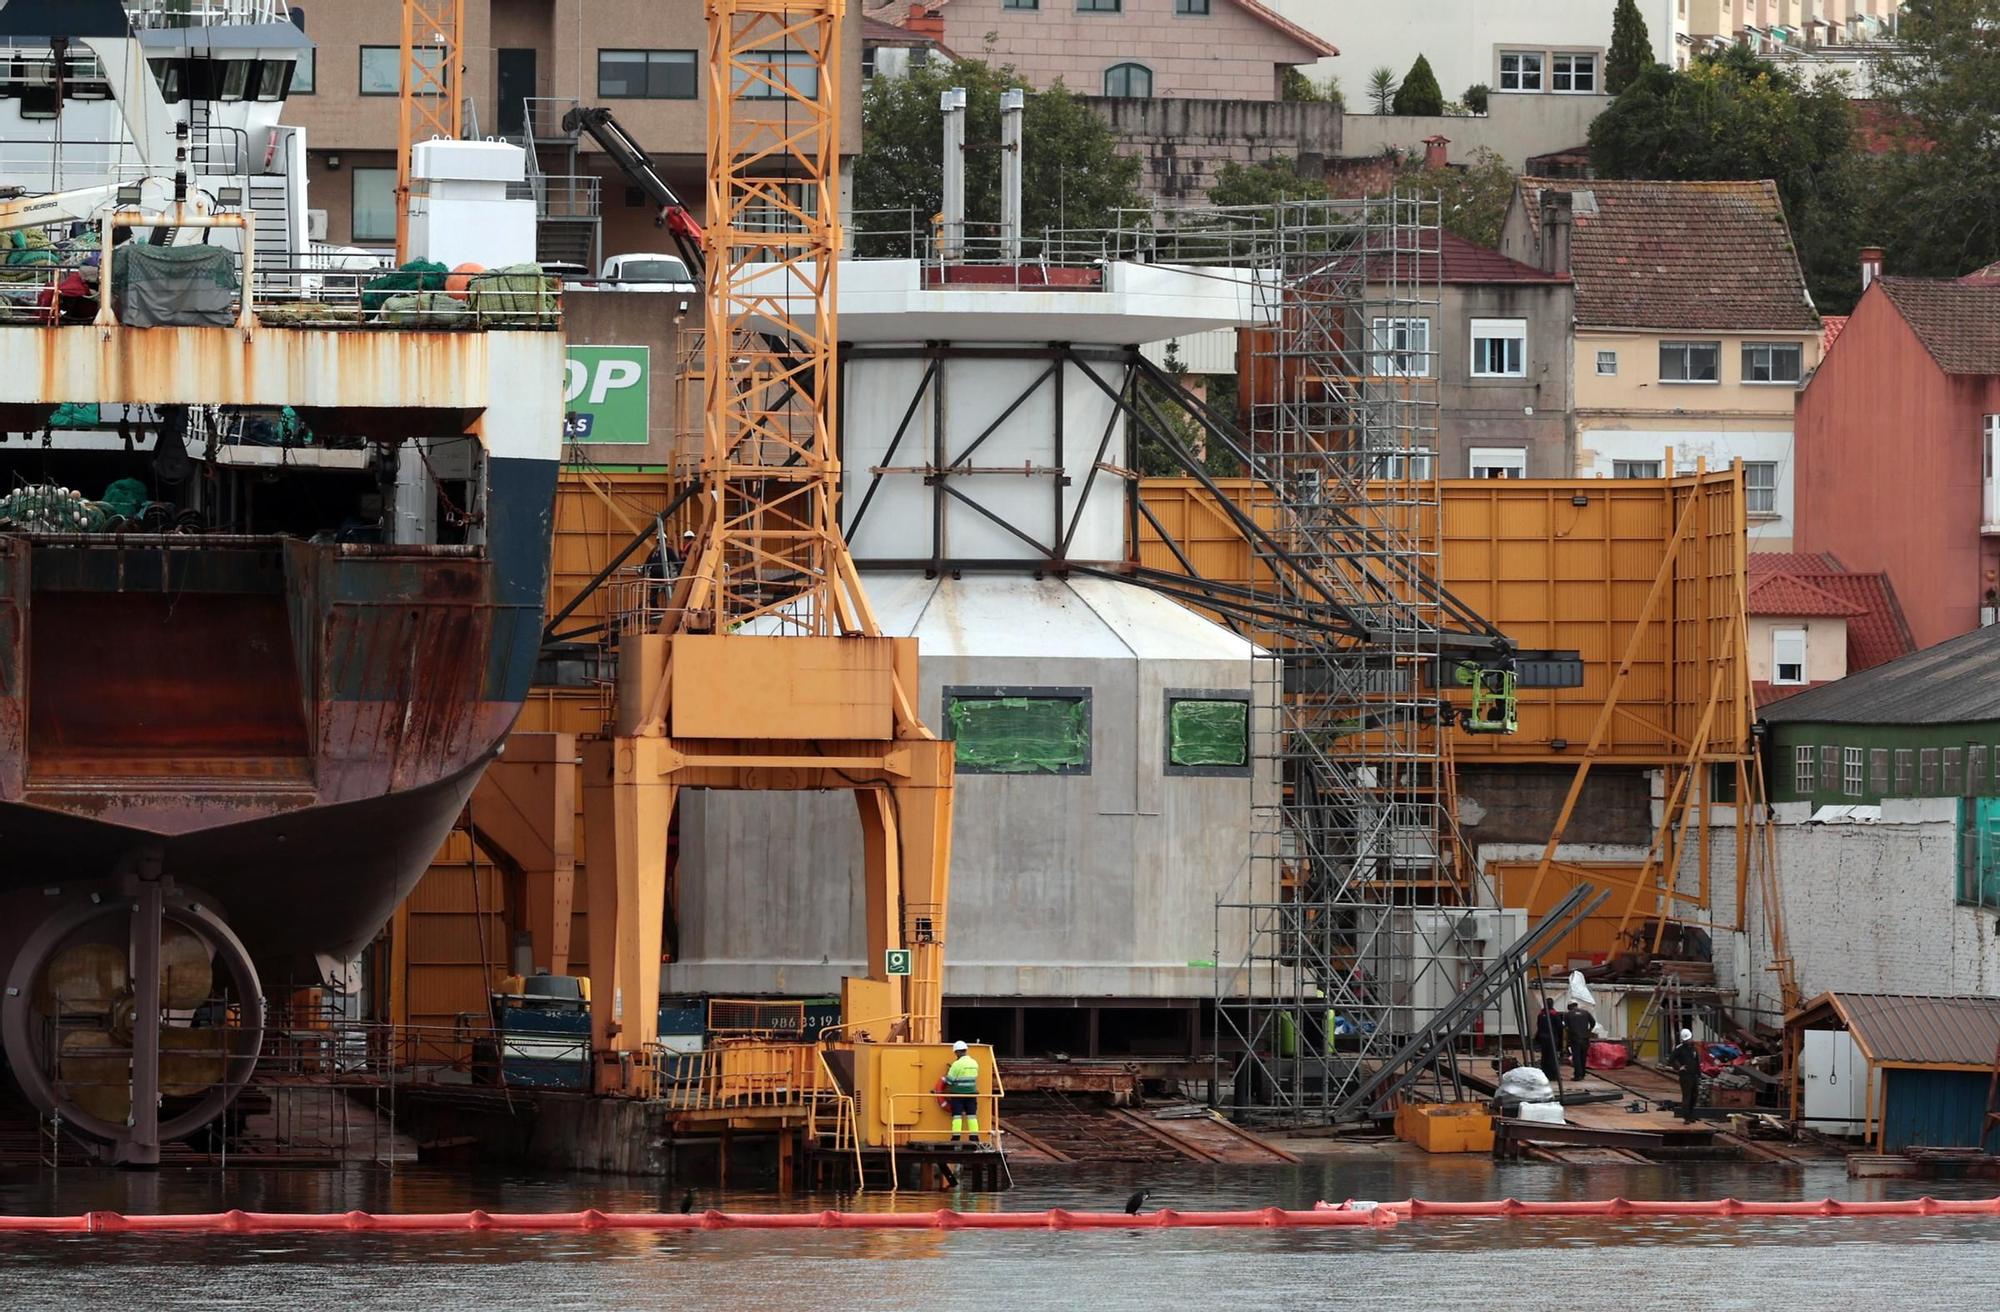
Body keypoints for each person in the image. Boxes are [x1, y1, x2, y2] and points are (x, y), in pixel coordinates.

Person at [943, 1040, 981, 1143]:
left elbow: (949, 1081)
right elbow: (974, 1076)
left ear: (957, 1052)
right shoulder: (974, 1063)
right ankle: (974, 1137)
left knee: (957, 1115)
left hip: (958, 1094)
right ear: (965, 1050)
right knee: (972, 1115)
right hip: (972, 1094)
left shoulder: (957, 1064)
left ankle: (956, 1137)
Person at [1669, 1027, 1704, 1122]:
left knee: (1694, 1095)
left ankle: (1691, 1114)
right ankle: (1686, 1117)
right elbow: (1671, 1060)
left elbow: (1696, 1062)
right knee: (1687, 1096)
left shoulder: (1693, 1049)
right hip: (1685, 1076)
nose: (1688, 1040)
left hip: (1693, 1075)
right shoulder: (1679, 1049)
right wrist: (1679, 1067)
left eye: (1689, 1039)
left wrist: (1699, 1074)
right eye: (1687, 1039)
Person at [1565, 1001, 1595, 1082]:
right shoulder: (1586, 1013)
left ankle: (1578, 1075)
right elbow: (1593, 1022)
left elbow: (1566, 1027)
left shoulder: (1568, 1014)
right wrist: (1588, 1031)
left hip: (1575, 1038)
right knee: (1583, 1056)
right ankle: (1582, 1073)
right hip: (1585, 1038)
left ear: (1570, 1006)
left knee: (1576, 1057)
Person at [1533, 998, 1563, 1080]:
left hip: (1543, 1038)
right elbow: (1559, 1027)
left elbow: (1539, 1026)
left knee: (1545, 1057)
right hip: (1552, 1038)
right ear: (1552, 1004)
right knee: (1552, 1057)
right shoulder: (1554, 1014)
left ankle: (1545, 1073)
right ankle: (1553, 1075)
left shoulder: (1541, 1014)